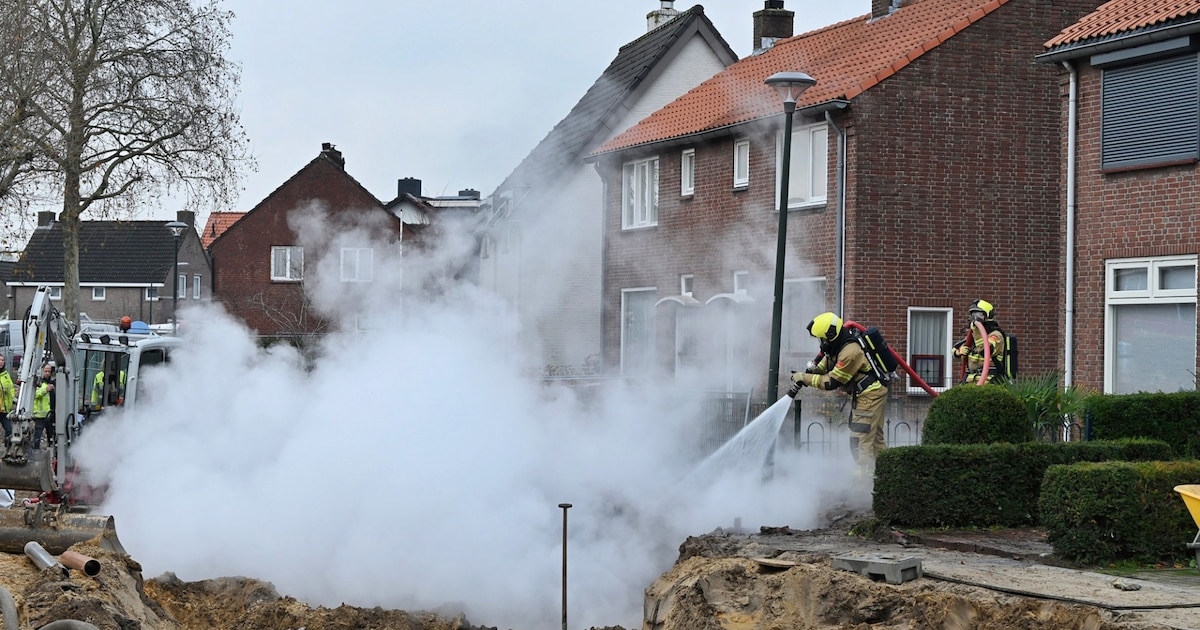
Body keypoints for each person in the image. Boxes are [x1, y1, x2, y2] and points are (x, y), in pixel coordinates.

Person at [788, 312, 889, 472]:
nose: (822, 343)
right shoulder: (840, 345)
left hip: (869, 396)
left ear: (830, 335)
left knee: (859, 441)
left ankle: (863, 486)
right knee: (875, 440)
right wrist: (813, 371)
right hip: (868, 394)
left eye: (823, 339)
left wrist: (805, 378)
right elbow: (829, 364)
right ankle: (886, 479)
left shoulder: (850, 352)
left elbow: (831, 382)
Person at [954, 299, 1006, 384]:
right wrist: (959, 351)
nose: (975, 318)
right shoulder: (973, 336)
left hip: (989, 382)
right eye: (973, 315)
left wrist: (977, 333)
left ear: (988, 316)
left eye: (979, 315)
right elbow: (954, 350)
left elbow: (985, 351)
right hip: (970, 382)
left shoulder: (996, 335)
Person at [32, 363, 54, 449]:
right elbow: (35, 394)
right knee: (37, 436)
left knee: (51, 435)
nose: (47, 373)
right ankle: (35, 451)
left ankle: (52, 453)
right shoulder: (38, 383)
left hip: (49, 414)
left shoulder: (51, 383)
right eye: (45, 371)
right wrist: (46, 390)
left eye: (49, 371)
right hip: (40, 415)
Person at [0, 355, 13, 447]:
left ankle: (7, 449)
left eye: (2, 360)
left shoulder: (5, 375)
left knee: (9, 430)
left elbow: (11, 390)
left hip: (4, 409)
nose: (1, 362)